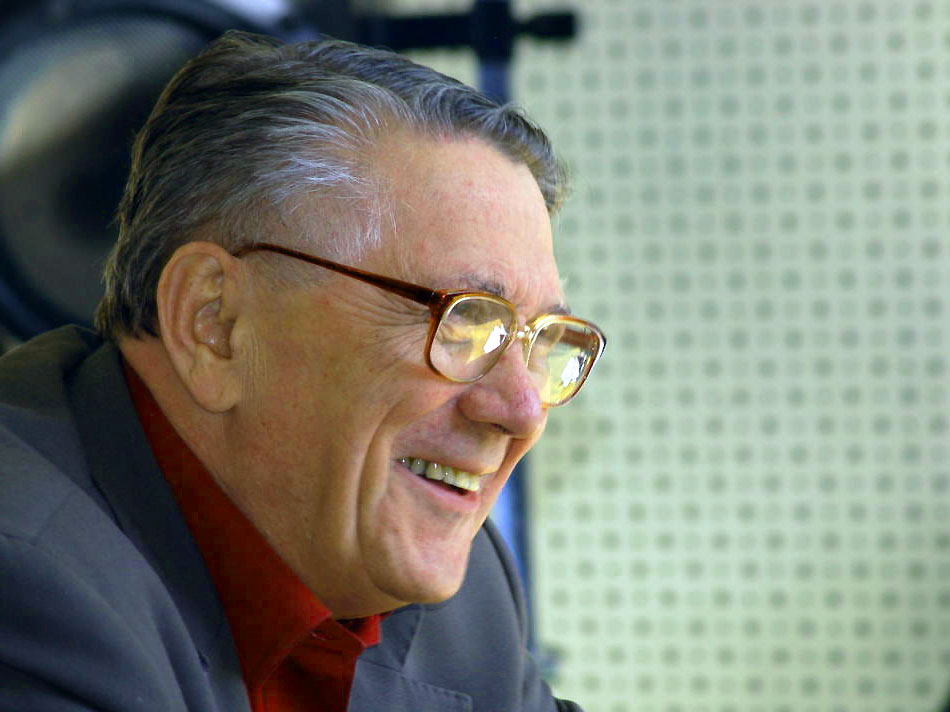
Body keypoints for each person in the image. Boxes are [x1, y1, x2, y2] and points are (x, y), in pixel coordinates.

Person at [0, 30, 605, 712]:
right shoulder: (26, 582)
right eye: (463, 322)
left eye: (539, 340)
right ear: (214, 322)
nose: (521, 412)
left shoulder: (456, 586)